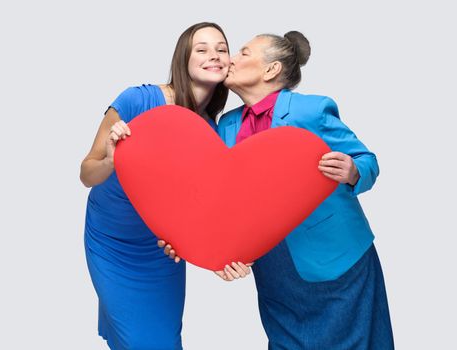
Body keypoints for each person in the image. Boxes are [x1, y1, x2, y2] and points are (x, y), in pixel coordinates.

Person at [163, 31, 394, 349]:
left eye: (243, 53)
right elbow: (215, 195)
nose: (231, 59)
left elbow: (367, 160)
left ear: (270, 70)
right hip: (274, 269)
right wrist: (200, 244)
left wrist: (354, 171)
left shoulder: (310, 110)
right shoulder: (227, 125)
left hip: (337, 260)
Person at [80, 22, 231, 349]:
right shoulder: (138, 99)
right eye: (202, 49)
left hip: (161, 253)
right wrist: (110, 159)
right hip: (112, 241)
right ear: (184, 59)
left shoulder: (211, 133)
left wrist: (219, 252)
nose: (214, 56)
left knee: (162, 340)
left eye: (221, 49)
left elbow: (199, 208)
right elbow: (87, 172)